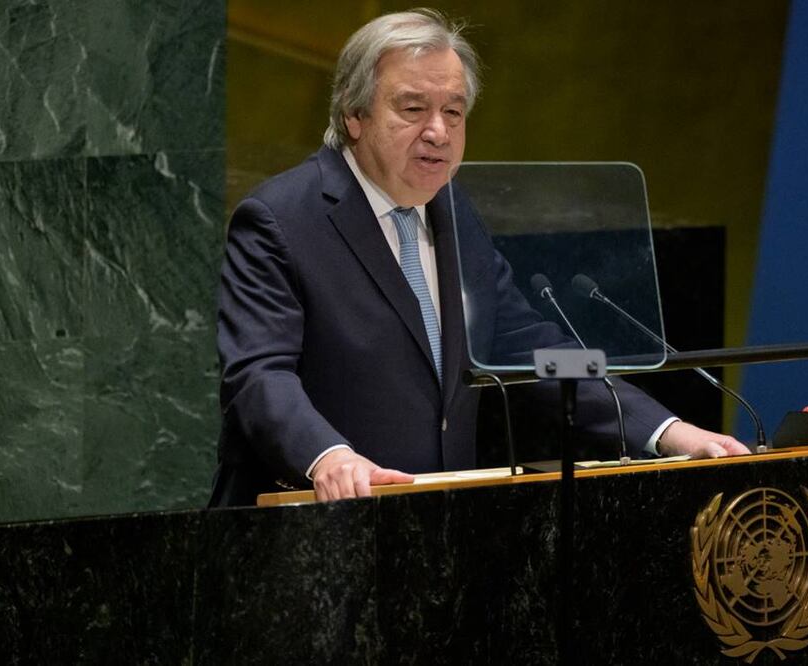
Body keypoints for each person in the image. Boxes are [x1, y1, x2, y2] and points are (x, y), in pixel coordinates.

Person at [209, 9, 748, 506]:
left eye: (453, 111)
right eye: (413, 108)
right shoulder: (281, 219)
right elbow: (259, 375)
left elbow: (533, 348)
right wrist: (328, 456)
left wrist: (668, 430)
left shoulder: (452, 211)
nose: (438, 131)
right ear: (354, 114)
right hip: (304, 529)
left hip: (439, 528)